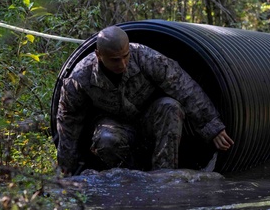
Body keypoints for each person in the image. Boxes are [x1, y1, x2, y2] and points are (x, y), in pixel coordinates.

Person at [55, 26, 234, 175]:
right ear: (99, 55)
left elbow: (182, 85)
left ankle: (164, 177)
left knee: (171, 108)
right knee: (106, 139)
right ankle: (130, 179)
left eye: (126, 56)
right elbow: (68, 122)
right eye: (115, 60)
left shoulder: (145, 57)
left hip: (149, 118)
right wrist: (66, 168)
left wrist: (211, 125)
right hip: (113, 126)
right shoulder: (80, 77)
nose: (123, 64)